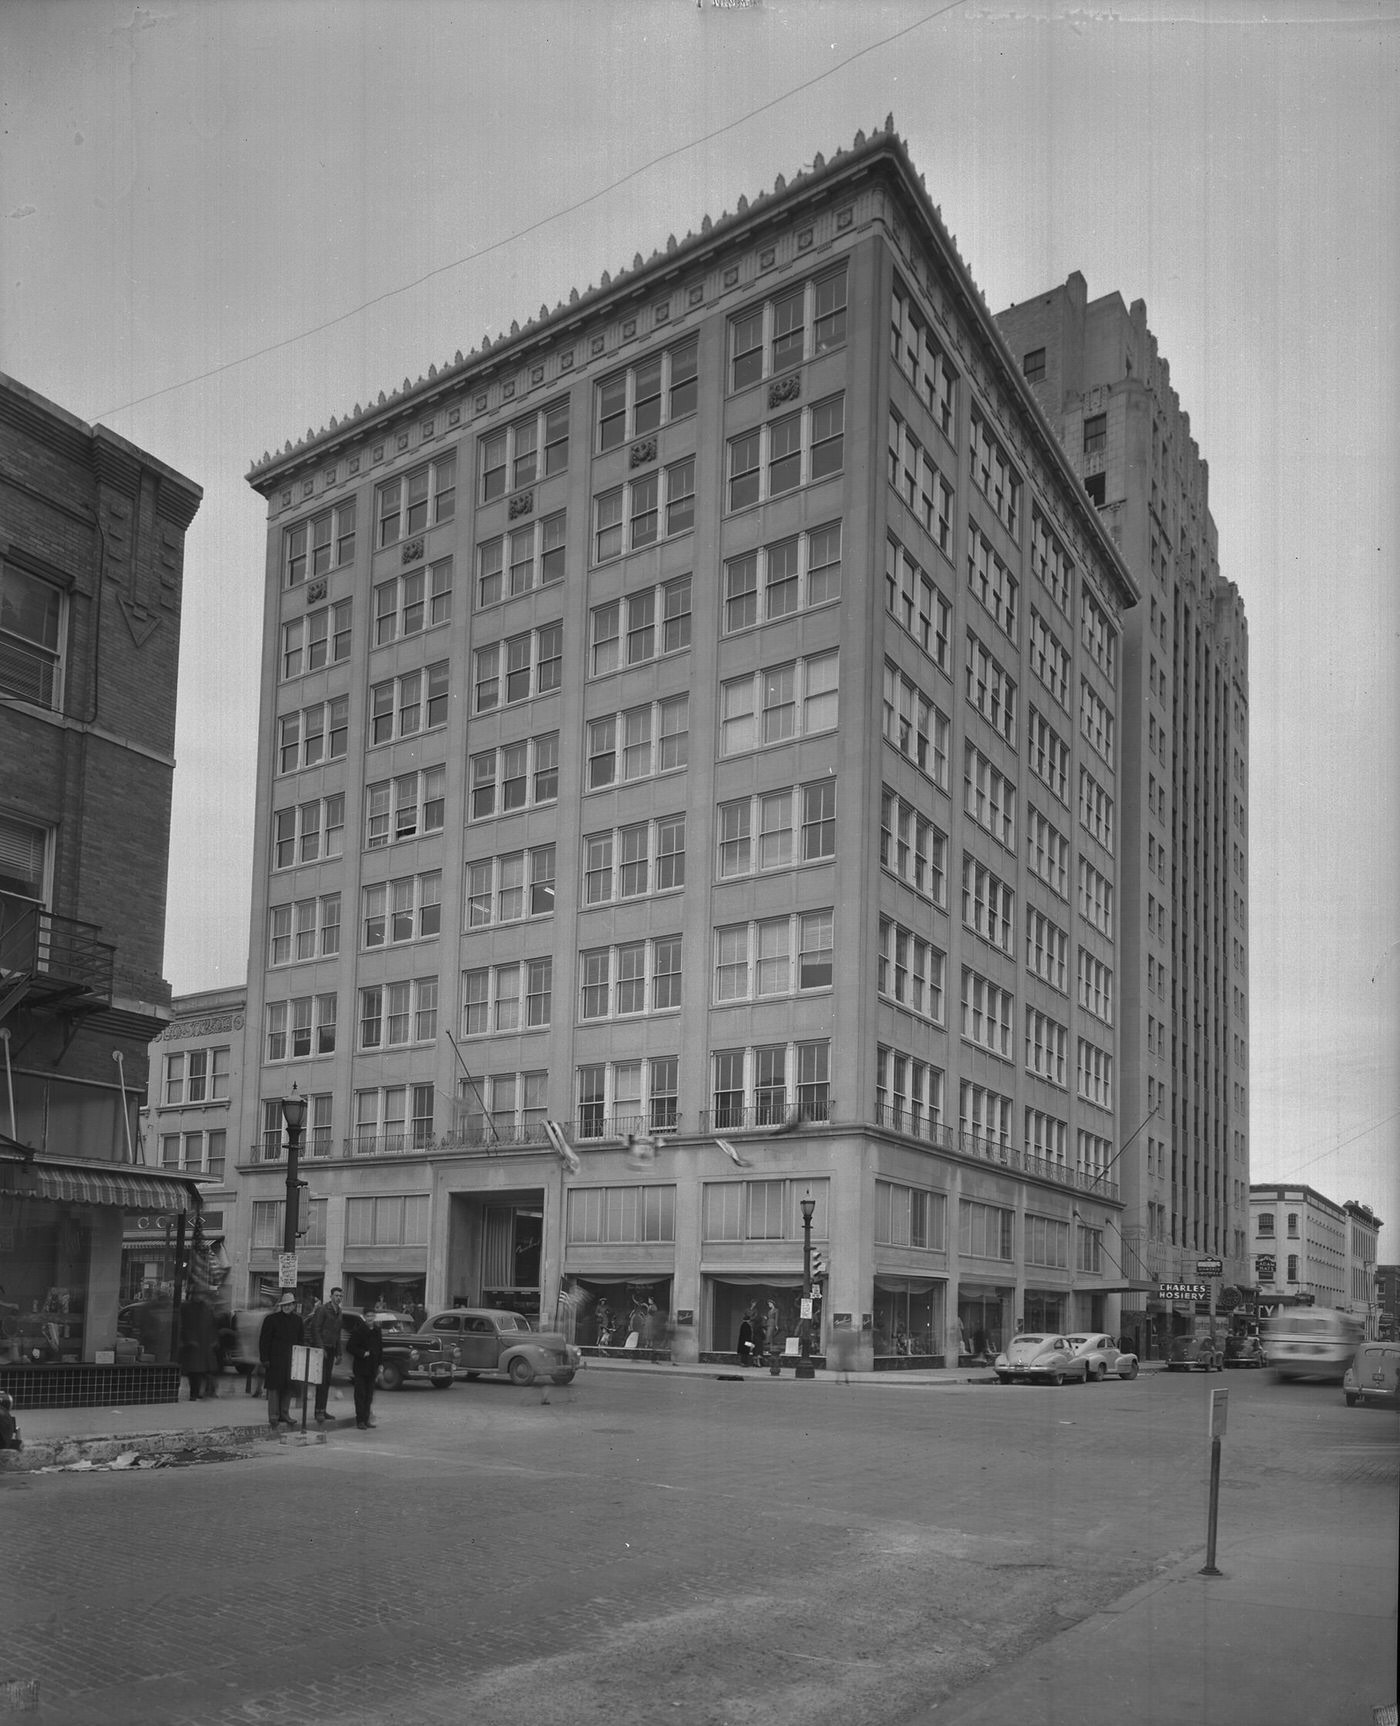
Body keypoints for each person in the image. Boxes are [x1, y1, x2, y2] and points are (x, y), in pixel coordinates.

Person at [259, 1291, 304, 1429]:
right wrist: (264, 1358)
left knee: (288, 1387)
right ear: (281, 1306)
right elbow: (264, 1341)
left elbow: (301, 1341)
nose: (287, 1307)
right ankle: (273, 1416)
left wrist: (299, 1359)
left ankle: (285, 1414)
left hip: (291, 1359)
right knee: (274, 1388)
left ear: (294, 1305)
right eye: (285, 1304)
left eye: (290, 1304)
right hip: (274, 1359)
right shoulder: (271, 1319)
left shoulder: (298, 1320)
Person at [303, 1286, 343, 1425]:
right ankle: (318, 1411)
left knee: (327, 1380)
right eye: (336, 1295)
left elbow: (337, 1334)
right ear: (331, 1296)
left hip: (331, 1348)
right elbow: (316, 1328)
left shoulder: (339, 1312)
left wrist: (339, 1352)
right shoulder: (323, 1310)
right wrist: (320, 1347)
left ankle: (323, 1409)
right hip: (322, 1349)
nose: (338, 1298)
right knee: (321, 1380)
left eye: (340, 1296)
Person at [343, 1312, 382, 1430]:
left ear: (374, 1317)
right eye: (368, 1316)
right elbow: (350, 1347)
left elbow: (380, 1348)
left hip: (372, 1367)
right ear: (365, 1318)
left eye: (372, 1316)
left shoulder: (377, 1331)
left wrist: (380, 1364)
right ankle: (360, 1420)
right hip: (361, 1367)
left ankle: (366, 1419)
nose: (370, 1318)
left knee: (369, 1395)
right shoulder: (359, 1331)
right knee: (360, 1394)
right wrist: (362, 1353)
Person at [177, 1295, 220, 1401]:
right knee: (197, 1371)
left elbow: (212, 1327)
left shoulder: (205, 1309)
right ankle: (198, 1392)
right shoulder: (191, 1308)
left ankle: (199, 1392)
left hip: (201, 1346)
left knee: (199, 1371)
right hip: (196, 1346)